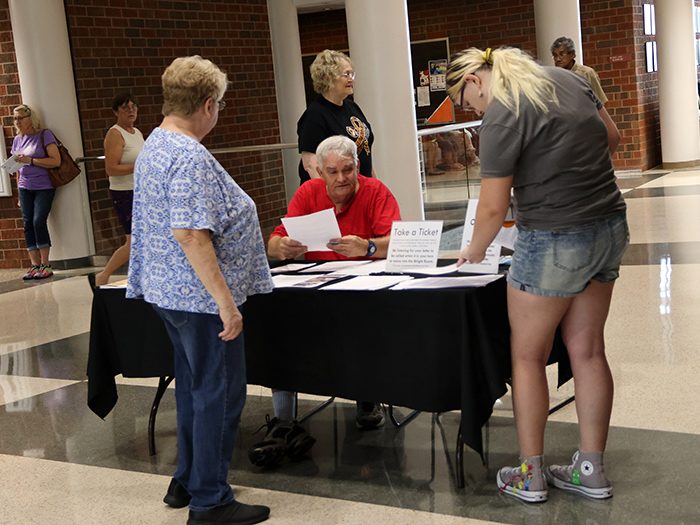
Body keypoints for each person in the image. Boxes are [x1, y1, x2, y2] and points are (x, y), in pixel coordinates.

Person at [446, 47, 627, 503]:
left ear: (474, 80)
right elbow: (612, 137)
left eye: (470, 104)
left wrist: (473, 251)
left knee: (526, 356)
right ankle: (590, 469)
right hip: (608, 225)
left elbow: (491, 207)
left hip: (552, 237)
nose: (476, 111)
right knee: (587, 351)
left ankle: (530, 475)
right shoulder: (568, 80)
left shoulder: (503, 113)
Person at [126, 56, 273, 525]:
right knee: (220, 394)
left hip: (171, 294)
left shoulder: (155, 144)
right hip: (200, 298)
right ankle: (211, 500)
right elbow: (191, 233)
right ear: (208, 105)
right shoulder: (187, 155)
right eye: (221, 104)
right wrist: (227, 305)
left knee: (193, 388)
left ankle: (187, 481)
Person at [248, 135, 401, 468]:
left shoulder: (376, 192)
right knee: (280, 326)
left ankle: (367, 396)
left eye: (348, 170)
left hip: (363, 289)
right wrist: (280, 247)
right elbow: (275, 240)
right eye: (332, 172)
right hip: (314, 286)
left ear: (357, 167)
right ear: (319, 171)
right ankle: (284, 420)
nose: (341, 178)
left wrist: (368, 247)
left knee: (362, 321)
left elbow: (396, 243)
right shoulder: (308, 193)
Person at [297, 49, 375, 183]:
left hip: (360, 188)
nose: (351, 79)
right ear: (328, 78)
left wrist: (375, 187)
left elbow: (365, 154)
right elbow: (310, 165)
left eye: (352, 74)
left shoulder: (353, 107)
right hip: (337, 193)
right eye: (346, 74)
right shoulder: (314, 115)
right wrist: (333, 195)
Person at [92, 93, 145, 288]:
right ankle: (104, 275)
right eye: (125, 107)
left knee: (144, 239)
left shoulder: (136, 132)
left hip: (140, 191)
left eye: (134, 106)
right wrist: (139, 166)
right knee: (133, 242)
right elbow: (111, 168)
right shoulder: (115, 134)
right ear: (116, 112)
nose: (131, 111)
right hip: (125, 194)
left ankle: (141, 277)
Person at [11, 104, 62, 280]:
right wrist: (19, 191)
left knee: (38, 220)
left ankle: (46, 264)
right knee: (27, 224)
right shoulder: (18, 140)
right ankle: (34, 265)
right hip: (25, 187)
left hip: (44, 186)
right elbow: (18, 167)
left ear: (30, 118)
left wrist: (31, 160)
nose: (17, 122)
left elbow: (56, 161)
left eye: (20, 118)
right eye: (15, 118)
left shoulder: (44, 135)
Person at [551, 36, 608, 105]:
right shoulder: (553, 78)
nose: (558, 59)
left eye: (562, 54)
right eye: (555, 55)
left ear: (572, 54)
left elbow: (600, 103)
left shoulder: (587, 73)